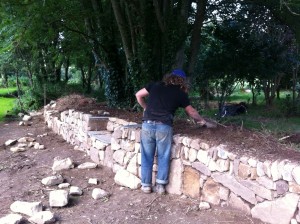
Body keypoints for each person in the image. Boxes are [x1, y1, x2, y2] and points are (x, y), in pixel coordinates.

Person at [135, 69, 206, 194]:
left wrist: (146, 108)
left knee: (146, 155)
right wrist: (202, 120)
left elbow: (138, 95)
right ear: (182, 81)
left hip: (147, 125)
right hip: (164, 127)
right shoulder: (180, 93)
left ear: (169, 77)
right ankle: (160, 186)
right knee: (163, 155)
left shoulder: (155, 85)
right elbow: (191, 112)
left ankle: (146, 185)